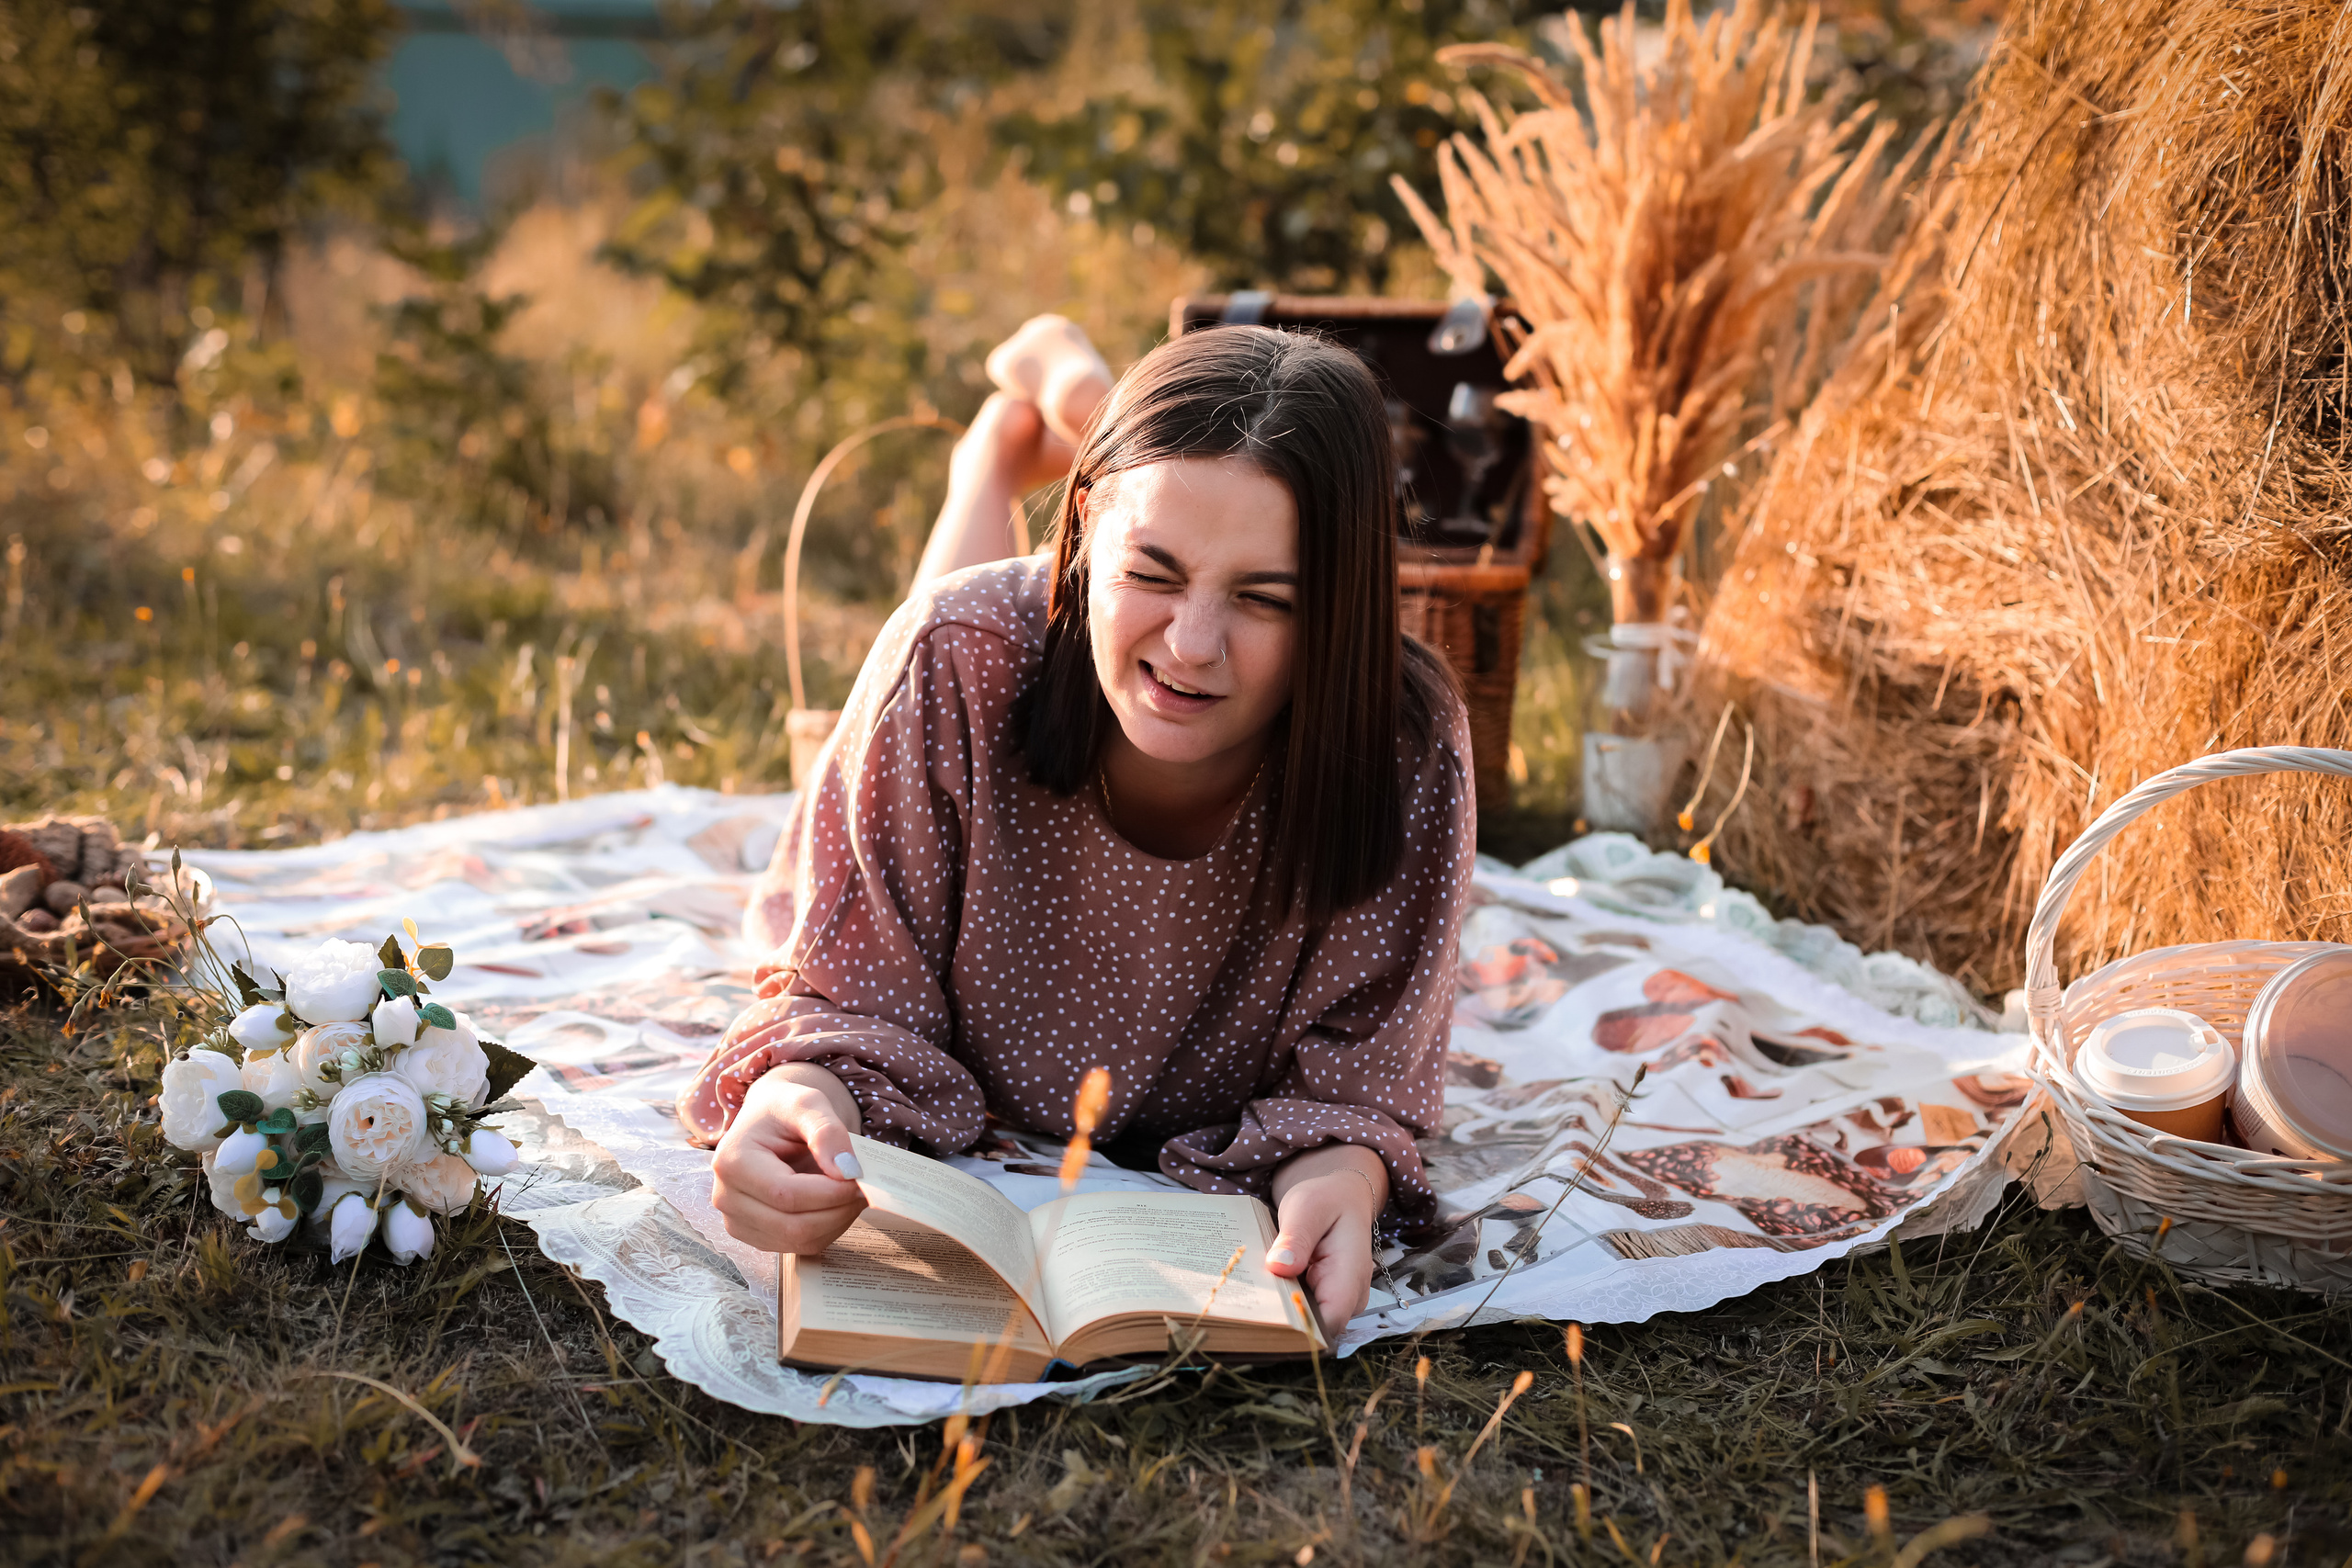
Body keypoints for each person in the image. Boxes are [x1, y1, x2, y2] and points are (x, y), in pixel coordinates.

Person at [682, 319, 1476, 1337]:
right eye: (1152, 570)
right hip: (997, 642)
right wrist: (800, 1099)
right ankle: (1003, 452)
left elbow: (1357, 1088)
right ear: (1088, 524)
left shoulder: (1405, 745)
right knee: (952, 622)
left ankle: (1073, 417)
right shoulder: (954, 654)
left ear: (1341, 606)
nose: (1193, 648)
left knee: (998, 620)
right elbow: (850, 1000)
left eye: (1264, 599)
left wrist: (1343, 1179)